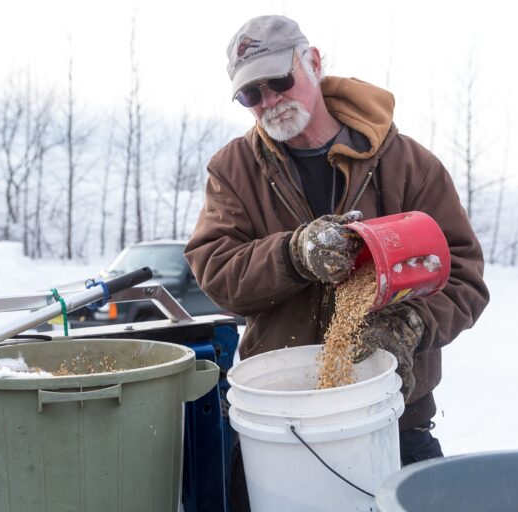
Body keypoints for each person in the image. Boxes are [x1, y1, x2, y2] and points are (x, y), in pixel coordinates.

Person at [184, 14, 489, 510]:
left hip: (393, 417)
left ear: (314, 63)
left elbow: (462, 276)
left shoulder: (407, 164)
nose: (269, 102)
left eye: (279, 82)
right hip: (281, 423)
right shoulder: (233, 169)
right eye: (250, 95)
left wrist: (411, 324)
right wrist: (293, 253)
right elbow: (216, 270)